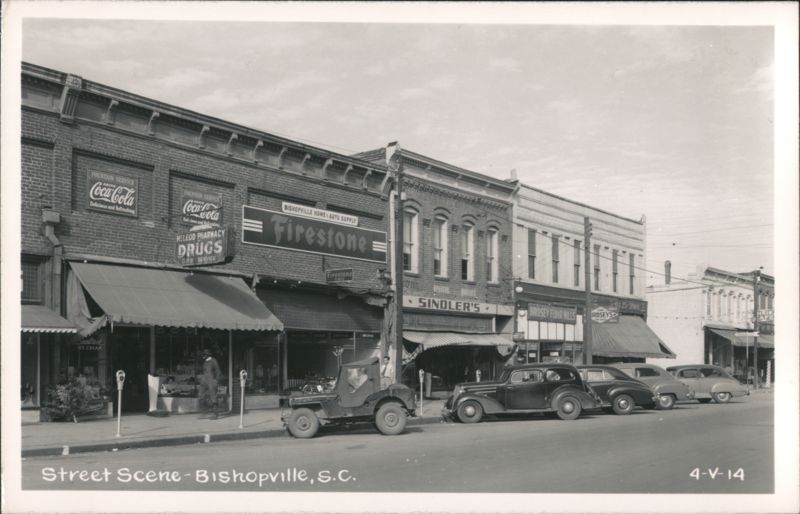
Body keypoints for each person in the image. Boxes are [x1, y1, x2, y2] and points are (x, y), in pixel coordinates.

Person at [199, 349, 221, 419]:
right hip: (204, 380)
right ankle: (204, 413)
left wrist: (216, 381)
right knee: (201, 396)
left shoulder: (214, 361)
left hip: (212, 380)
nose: (202, 356)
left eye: (204, 355)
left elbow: (218, 371)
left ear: (207, 355)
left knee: (213, 397)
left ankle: (215, 414)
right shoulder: (205, 362)